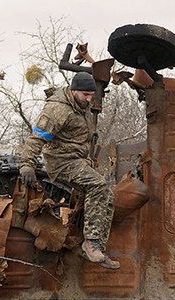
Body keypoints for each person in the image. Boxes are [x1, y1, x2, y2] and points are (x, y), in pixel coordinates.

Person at [18, 71, 119, 270]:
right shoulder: (58, 109)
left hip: (78, 161)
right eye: (85, 95)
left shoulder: (81, 106)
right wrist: (27, 164)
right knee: (98, 185)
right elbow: (37, 138)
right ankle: (90, 244)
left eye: (91, 95)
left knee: (107, 195)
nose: (89, 99)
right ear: (73, 91)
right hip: (61, 162)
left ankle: (97, 248)